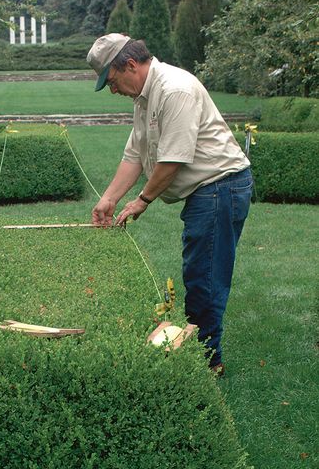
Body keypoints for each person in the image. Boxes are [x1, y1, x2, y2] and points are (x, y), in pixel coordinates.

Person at [87, 33, 253, 374]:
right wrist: (109, 199)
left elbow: (173, 159)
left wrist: (142, 200)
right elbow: (135, 154)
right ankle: (202, 355)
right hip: (206, 191)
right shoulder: (143, 98)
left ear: (131, 65)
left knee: (204, 278)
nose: (113, 90)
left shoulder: (174, 89)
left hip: (220, 187)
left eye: (113, 82)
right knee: (199, 273)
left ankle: (208, 364)